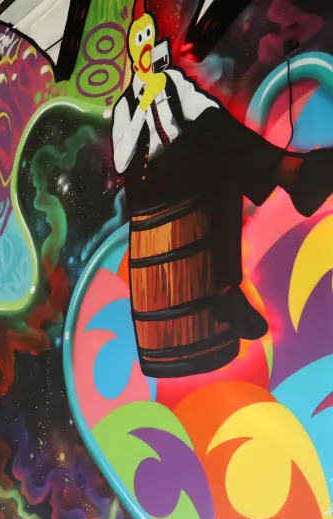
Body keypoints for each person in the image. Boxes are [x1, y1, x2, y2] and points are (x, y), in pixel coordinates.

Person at [112, 2, 333, 344]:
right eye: (137, 40)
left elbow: (207, 109)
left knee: (220, 160)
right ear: (132, 50)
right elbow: (123, 159)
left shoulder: (171, 80)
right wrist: (143, 106)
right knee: (205, 135)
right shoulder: (126, 105)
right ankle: (290, 170)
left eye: (147, 37)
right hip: (147, 180)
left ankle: (226, 291)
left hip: (186, 166)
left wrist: (221, 138)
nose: (144, 45)